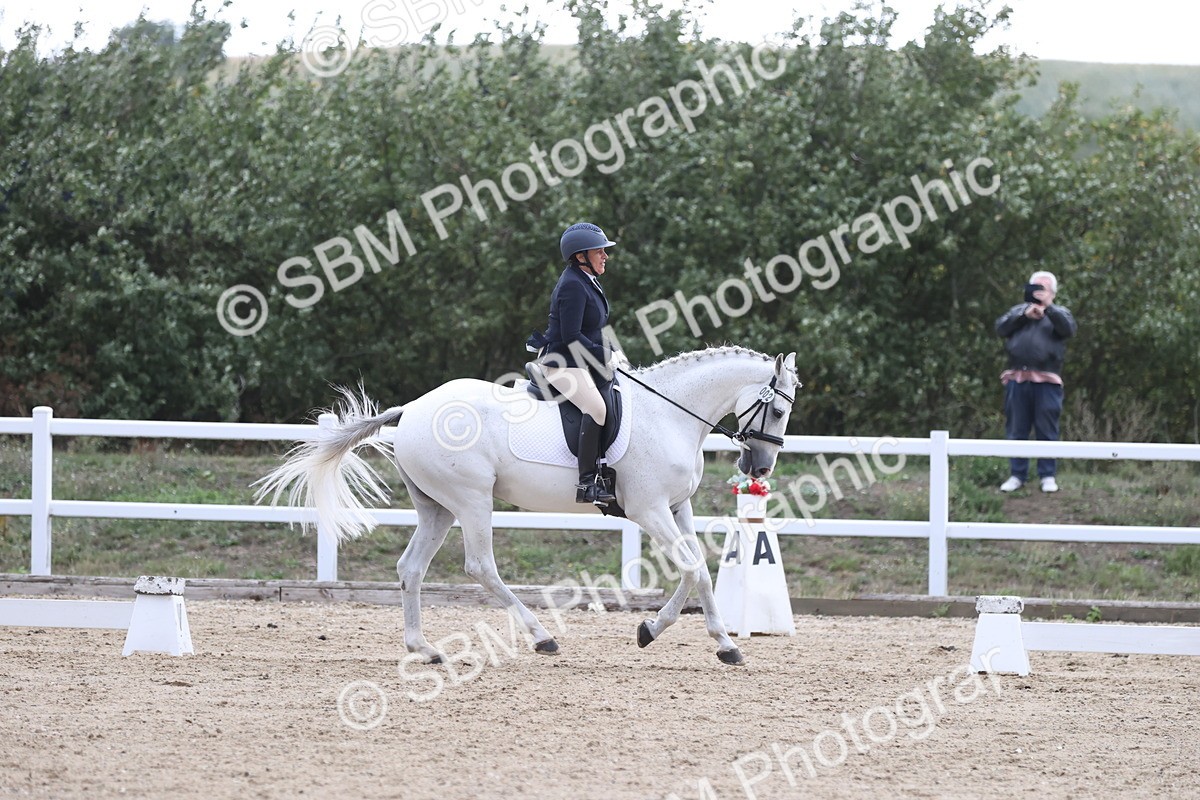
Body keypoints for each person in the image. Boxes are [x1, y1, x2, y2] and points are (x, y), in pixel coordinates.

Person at [529, 222, 621, 505]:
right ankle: (587, 482)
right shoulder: (572, 285)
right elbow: (571, 337)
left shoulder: (587, 280)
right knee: (596, 408)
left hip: (580, 358)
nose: (605, 256)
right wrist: (604, 356)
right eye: (599, 251)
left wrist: (613, 349)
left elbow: (592, 330)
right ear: (581, 256)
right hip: (561, 362)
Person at [994, 270, 1078, 493]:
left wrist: (1048, 309)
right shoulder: (1018, 312)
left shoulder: (1060, 313)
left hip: (1047, 382)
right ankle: (1017, 475)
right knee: (1017, 429)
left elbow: (1068, 330)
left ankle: (1047, 476)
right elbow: (1000, 328)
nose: (1040, 292)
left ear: (1053, 293)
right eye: (1036, 287)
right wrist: (1024, 316)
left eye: (1044, 288)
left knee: (1047, 430)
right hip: (1018, 381)